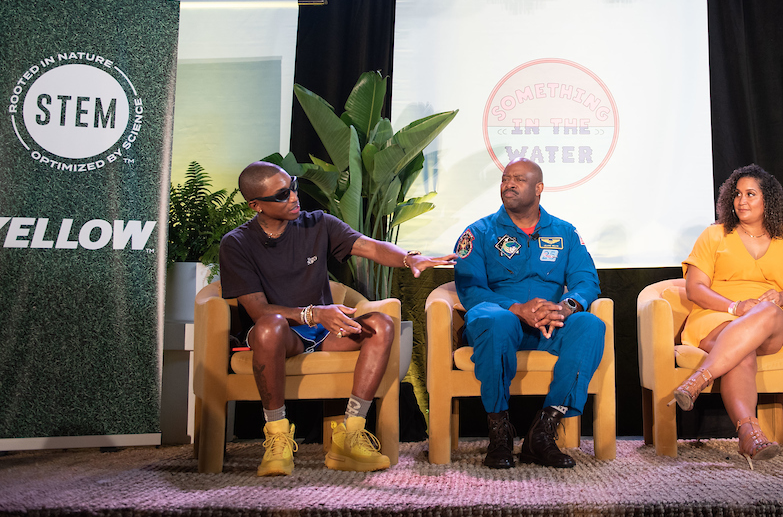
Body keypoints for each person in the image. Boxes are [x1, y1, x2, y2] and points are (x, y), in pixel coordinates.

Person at [219, 160, 455, 477]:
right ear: (256, 205)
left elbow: (369, 247)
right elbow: (259, 311)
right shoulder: (236, 243)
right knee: (269, 328)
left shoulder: (318, 224)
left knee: (381, 325)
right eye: (281, 195)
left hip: (324, 332)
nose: (293, 197)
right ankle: (276, 437)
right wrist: (314, 312)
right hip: (279, 335)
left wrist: (408, 257)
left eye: (293, 187)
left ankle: (350, 435)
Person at [453, 157, 604, 469]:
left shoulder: (564, 232)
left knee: (589, 325)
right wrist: (516, 309)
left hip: (547, 328)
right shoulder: (478, 232)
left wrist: (565, 307)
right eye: (506, 178)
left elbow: (586, 281)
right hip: (497, 323)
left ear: (539, 188)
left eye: (519, 179)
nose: (509, 183)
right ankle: (500, 433)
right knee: (498, 321)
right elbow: (469, 288)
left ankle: (544, 432)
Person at [668, 163, 783, 468]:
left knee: (766, 311)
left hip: (772, 324)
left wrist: (780, 296)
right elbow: (695, 288)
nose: (742, 201)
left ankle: (698, 379)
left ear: (769, 200)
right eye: (737, 194)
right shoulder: (715, 235)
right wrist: (735, 307)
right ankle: (749, 433)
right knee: (742, 355)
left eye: (750, 194)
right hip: (718, 317)